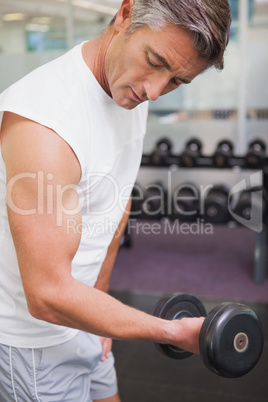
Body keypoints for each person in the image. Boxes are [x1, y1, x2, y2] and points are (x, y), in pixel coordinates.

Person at [0, 0, 231, 400]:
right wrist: (171, 331)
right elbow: (47, 295)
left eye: (178, 80)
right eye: (155, 60)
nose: (155, 91)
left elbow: (115, 197)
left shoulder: (130, 91)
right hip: (35, 340)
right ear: (125, 14)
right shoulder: (48, 125)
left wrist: (100, 301)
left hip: (84, 314)